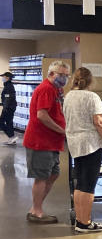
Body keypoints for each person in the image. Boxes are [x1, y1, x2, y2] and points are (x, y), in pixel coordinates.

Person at [63, 67, 102, 233]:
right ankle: (85, 223)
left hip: (75, 144)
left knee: (80, 183)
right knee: (89, 185)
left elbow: (81, 118)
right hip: (91, 145)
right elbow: (98, 123)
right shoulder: (92, 96)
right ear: (90, 81)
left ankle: (80, 219)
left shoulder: (69, 96)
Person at [23, 61, 69, 223]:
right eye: (61, 75)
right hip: (40, 141)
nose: (64, 78)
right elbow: (42, 115)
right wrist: (62, 130)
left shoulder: (56, 90)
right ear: (51, 74)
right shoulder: (46, 89)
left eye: (66, 75)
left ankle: (36, 207)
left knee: (53, 173)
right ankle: (36, 211)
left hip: (51, 142)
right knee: (41, 176)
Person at [1, 72, 16, 145]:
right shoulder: (7, 85)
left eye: (3, 76)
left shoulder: (9, 86)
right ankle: (11, 138)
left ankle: (11, 137)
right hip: (9, 107)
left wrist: (5, 107)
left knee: (1, 122)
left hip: (9, 108)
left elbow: (8, 97)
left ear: (7, 77)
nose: (2, 78)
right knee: (9, 122)